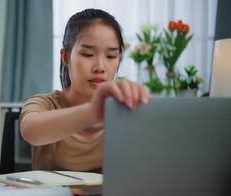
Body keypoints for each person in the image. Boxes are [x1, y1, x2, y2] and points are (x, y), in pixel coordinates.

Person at [19, 9, 149, 172]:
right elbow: (30, 131)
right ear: (65, 57)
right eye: (88, 54)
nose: (100, 68)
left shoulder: (127, 109)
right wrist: (92, 112)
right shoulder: (45, 104)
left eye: (110, 56)